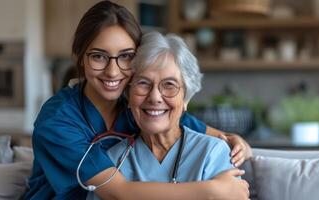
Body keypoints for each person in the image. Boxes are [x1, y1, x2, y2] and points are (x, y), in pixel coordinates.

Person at [25, 1, 250, 199]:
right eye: (98, 56)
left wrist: (235, 140)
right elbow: (117, 193)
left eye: (126, 56)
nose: (113, 72)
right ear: (80, 59)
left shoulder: (136, 106)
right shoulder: (58, 119)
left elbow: (186, 123)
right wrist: (212, 191)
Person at [87, 31, 249, 200]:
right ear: (128, 95)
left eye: (169, 85)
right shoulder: (113, 161)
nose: (155, 97)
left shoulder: (213, 153)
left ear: (186, 98)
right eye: (143, 83)